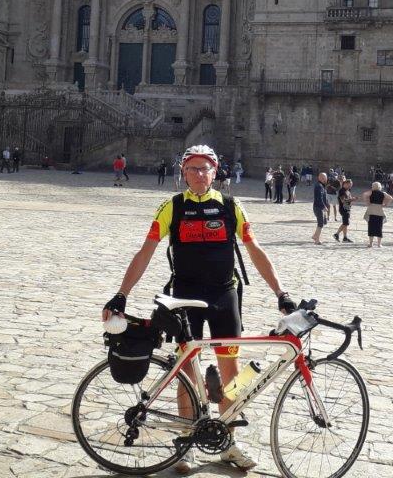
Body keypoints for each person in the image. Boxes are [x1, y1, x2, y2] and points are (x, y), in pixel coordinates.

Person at [101, 145, 295, 474]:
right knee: (187, 372)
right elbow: (146, 251)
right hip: (185, 297)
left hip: (224, 296)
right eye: (193, 169)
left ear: (215, 172)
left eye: (205, 169)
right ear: (184, 173)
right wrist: (121, 294)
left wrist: (281, 292)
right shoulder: (171, 207)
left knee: (230, 372)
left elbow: (254, 249)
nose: (199, 175)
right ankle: (187, 444)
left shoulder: (231, 206)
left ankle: (228, 444)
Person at [362, 181, 393, 248]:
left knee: (371, 228)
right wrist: (386, 204)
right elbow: (391, 198)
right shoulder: (383, 193)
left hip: (371, 210)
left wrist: (367, 202)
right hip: (379, 211)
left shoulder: (371, 192)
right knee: (379, 228)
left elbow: (364, 194)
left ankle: (371, 244)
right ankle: (379, 244)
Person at [333, 178, 354, 243]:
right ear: (345, 184)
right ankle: (336, 234)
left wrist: (351, 199)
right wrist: (352, 199)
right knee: (346, 223)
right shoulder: (342, 191)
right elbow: (343, 201)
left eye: (351, 185)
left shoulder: (348, 190)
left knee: (345, 223)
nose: (350, 186)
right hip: (343, 209)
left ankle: (345, 238)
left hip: (347, 208)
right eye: (349, 185)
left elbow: (348, 199)